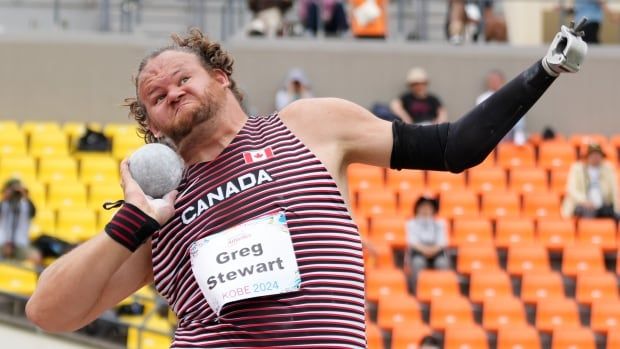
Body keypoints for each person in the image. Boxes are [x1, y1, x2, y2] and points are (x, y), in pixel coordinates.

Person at [26, 20, 588, 347]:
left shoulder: (311, 125)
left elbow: (452, 148)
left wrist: (544, 71)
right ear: (150, 124)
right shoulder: (159, 208)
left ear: (221, 77)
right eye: (156, 97)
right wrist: (134, 220)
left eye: (181, 78)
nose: (170, 93)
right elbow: (49, 313)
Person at [562, 143, 619, 220]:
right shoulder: (577, 168)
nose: (595, 157)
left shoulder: (608, 169)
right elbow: (571, 189)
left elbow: (614, 190)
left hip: (603, 205)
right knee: (588, 212)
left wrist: (617, 209)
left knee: (611, 214)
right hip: (582, 205)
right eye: (592, 154)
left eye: (598, 154)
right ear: (587, 156)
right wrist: (585, 201)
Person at [405, 196, 449, 291]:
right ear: (417, 208)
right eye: (423, 207)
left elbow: (442, 242)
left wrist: (431, 251)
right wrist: (426, 251)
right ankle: (417, 290)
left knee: (442, 263)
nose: (426, 210)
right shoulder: (411, 224)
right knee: (417, 263)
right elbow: (413, 242)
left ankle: (442, 289)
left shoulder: (440, 223)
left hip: (436, 253)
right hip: (418, 253)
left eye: (429, 207)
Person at [476, 69, 526, 145]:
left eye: (496, 80)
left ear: (502, 80)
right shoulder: (482, 98)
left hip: (508, 133)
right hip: (489, 133)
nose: (494, 82)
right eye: (492, 80)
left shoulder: (510, 96)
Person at [0, 178, 38, 263]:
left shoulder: (25, 205)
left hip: (21, 242)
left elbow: (33, 212)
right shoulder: (3, 204)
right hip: (2, 242)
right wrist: (5, 197)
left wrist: (25, 196)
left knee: (35, 257)